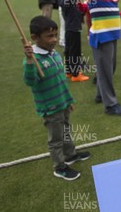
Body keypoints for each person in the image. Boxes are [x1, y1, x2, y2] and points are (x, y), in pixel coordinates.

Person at [22, 16, 91, 181]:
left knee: (66, 131)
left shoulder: (54, 54)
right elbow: (30, 81)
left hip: (63, 103)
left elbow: (61, 82)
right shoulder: (33, 60)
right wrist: (30, 60)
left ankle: (70, 155)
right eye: (49, 36)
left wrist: (68, 100)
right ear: (34, 38)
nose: (53, 39)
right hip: (50, 108)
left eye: (55, 35)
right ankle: (59, 166)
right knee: (56, 138)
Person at [59, 0, 89, 82]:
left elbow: (78, 10)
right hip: (73, 29)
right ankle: (76, 74)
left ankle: (69, 71)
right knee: (75, 52)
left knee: (69, 51)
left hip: (71, 29)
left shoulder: (68, 0)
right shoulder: (65, 0)